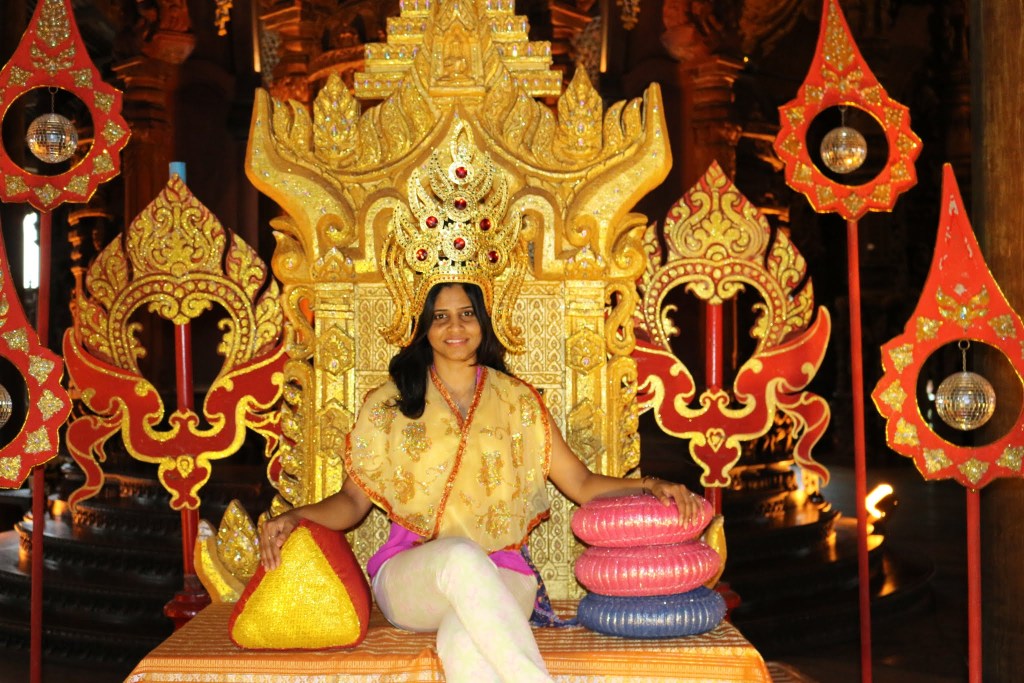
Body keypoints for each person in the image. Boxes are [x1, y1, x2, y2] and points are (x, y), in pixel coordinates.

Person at [260, 281, 704, 683]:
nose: (455, 327)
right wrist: (296, 516)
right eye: (440, 316)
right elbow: (351, 503)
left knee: (464, 643)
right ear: (424, 328)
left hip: (504, 574)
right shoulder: (390, 403)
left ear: (484, 322)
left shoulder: (517, 401)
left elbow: (581, 482)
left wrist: (648, 485)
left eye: (467, 314)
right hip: (413, 577)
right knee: (459, 555)